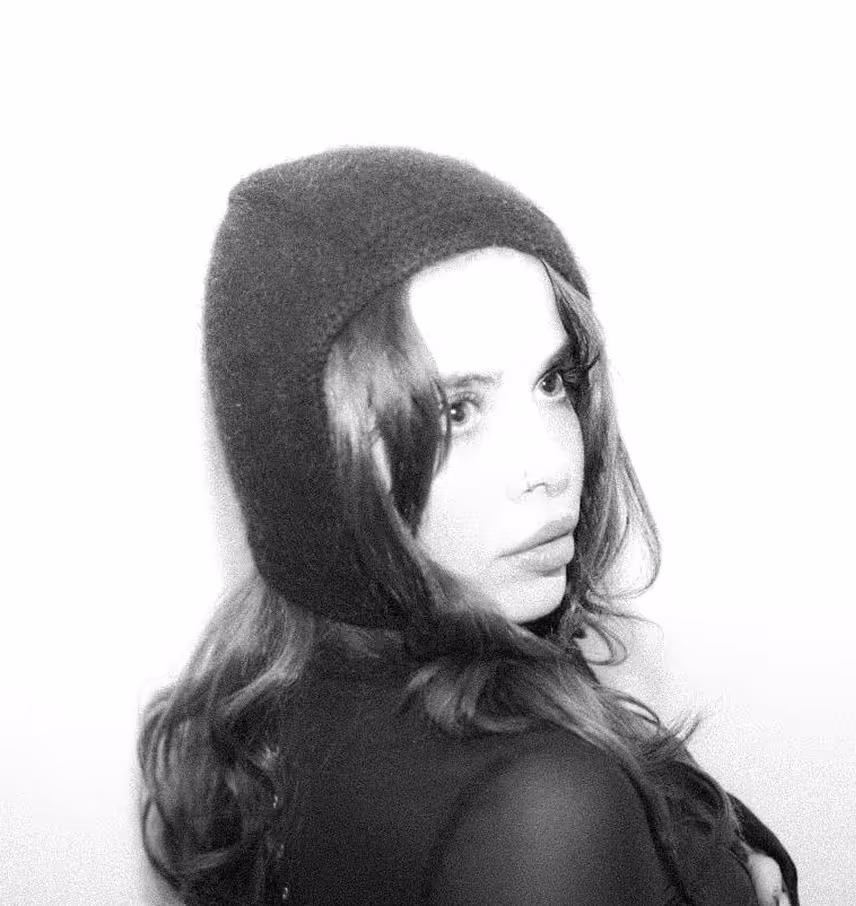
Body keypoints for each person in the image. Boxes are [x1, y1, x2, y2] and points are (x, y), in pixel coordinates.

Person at [138, 147, 799, 905]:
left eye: (552, 382)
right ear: (311, 463)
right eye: (457, 411)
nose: (552, 465)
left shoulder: (279, 692)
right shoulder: (543, 803)